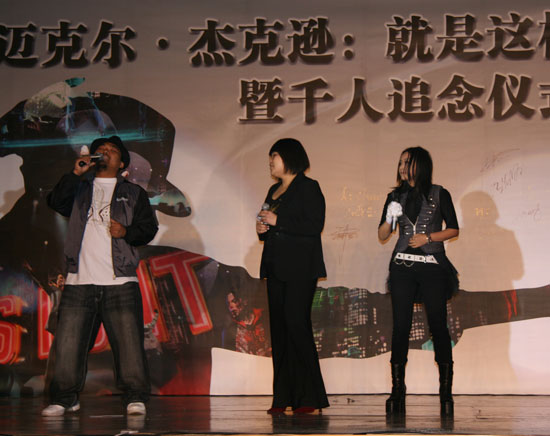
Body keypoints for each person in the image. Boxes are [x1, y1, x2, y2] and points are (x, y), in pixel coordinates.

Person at [42, 135, 158, 417]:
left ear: (122, 162)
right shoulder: (79, 188)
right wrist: (75, 173)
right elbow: (56, 202)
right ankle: (65, 398)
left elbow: (148, 228)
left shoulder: (133, 193)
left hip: (120, 281)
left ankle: (135, 396)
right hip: (79, 280)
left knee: (129, 346)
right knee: (68, 345)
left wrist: (126, 232)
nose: (105, 153)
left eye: (112, 150)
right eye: (100, 150)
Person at [378, 146, 459, 416]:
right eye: (400, 162)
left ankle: (445, 393)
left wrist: (429, 238)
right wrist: (390, 215)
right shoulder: (395, 196)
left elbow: (453, 229)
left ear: (420, 165)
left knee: (437, 324)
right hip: (402, 266)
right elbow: (383, 234)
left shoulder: (439, 193)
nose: (402, 167)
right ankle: (397, 390)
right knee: (401, 325)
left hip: (433, 266)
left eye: (407, 162)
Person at [256, 138, 329, 415]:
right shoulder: (273, 189)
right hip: (275, 267)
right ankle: (282, 396)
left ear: (289, 157)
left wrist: (278, 221)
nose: (271, 161)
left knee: (296, 324)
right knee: (280, 330)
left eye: (274, 156)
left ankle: (309, 396)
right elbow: (269, 222)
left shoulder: (309, 187)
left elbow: (314, 224)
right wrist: (262, 228)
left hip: (300, 269)